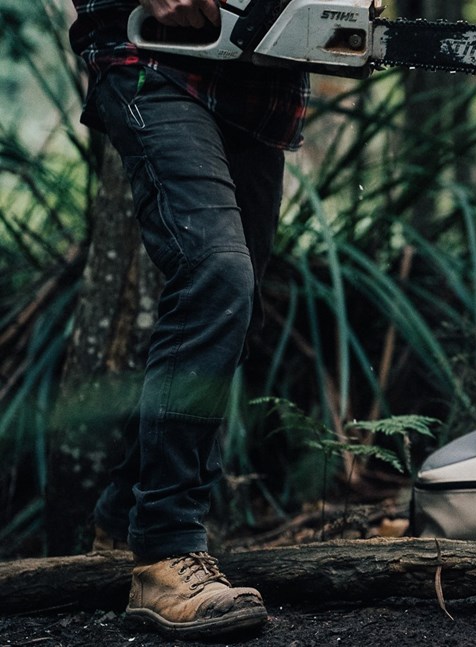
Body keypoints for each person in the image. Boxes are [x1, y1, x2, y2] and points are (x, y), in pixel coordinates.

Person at [69, 0, 309, 638]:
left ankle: (122, 517)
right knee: (217, 275)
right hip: (154, 59)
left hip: (261, 79)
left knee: (232, 304)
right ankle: (163, 552)